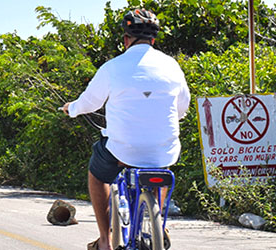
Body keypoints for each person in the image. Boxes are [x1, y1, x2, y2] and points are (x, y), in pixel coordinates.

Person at [61, 9, 190, 250]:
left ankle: (104, 240)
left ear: (126, 40)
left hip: (123, 150)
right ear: (153, 40)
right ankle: (157, 223)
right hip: (164, 148)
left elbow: (89, 102)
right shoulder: (172, 66)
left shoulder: (113, 67)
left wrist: (72, 109)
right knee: (160, 165)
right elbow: (182, 107)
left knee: (97, 174)